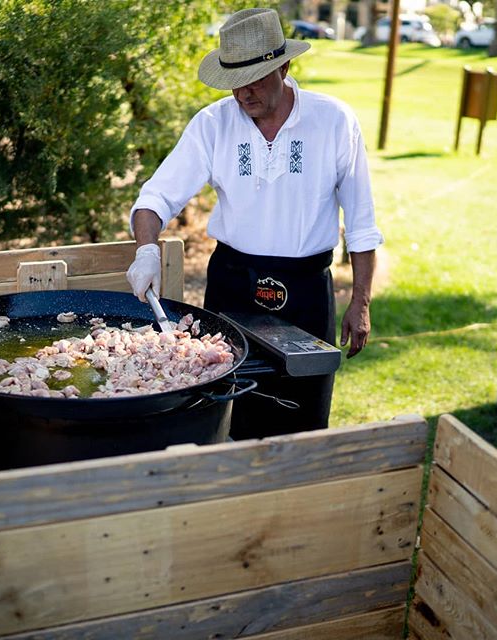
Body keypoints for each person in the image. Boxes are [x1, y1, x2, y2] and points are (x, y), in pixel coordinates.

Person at [126, 8, 383, 438]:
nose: (244, 94)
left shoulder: (335, 122)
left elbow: (361, 221)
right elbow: (155, 198)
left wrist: (361, 300)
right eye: (235, 82)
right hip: (234, 284)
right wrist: (147, 249)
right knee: (224, 414)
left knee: (304, 419)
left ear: (285, 66)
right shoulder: (212, 125)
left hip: (306, 289)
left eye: (257, 78)